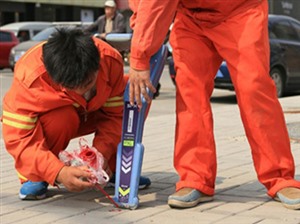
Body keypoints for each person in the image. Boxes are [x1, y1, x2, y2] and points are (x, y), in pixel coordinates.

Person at [128, 0, 300, 210]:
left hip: (241, 10)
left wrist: (140, 55)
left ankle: (280, 177)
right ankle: (194, 177)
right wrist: (140, 52)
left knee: (254, 87)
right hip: (191, 17)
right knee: (189, 91)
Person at [1, 28, 150, 200]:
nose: (82, 93)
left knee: (135, 99)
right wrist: (57, 171)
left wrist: (101, 156)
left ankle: (114, 169)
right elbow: (19, 139)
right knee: (61, 119)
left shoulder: (109, 61)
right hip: (60, 120)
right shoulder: (30, 79)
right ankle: (37, 176)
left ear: (97, 66)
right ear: (52, 77)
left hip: (93, 114)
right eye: (71, 88)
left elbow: (116, 117)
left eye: (88, 83)